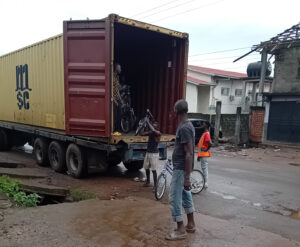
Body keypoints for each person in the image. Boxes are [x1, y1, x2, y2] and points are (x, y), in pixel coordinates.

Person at [166, 99, 196, 241]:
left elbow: (189, 153)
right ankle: (190, 224)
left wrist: (187, 177)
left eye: (174, 109)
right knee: (185, 195)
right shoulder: (187, 125)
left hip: (180, 169)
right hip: (182, 169)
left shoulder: (184, 128)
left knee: (174, 197)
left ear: (176, 111)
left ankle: (180, 229)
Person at [141, 120, 161, 190]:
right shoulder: (151, 133)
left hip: (154, 154)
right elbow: (142, 134)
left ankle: (155, 185)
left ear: (157, 127)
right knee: (146, 168)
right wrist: (143, 126)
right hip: (148, 153)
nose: (154, 125)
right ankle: (148, 182)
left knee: (153, 170)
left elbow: (153, 130)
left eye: (155, 125)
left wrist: (147, 122)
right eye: (153, 124)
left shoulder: (158, 133)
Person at [197, 121, 212, 188]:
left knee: (204, 168)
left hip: (204, 154)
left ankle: (205, 183)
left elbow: (210, 143)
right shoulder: (205, 133)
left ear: (206, 125)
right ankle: (204, 182)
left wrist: (206, 150)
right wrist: (199, 156)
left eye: (203, 124)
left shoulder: (206, 134)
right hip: (202, 154)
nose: (202, 125)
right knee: (204, 168)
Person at [113, 63, 123, 132]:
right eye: (120, 68)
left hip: (117, 99)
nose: (121, 69)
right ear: (116, 68)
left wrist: (120, 100)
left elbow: (117, 90)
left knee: (119, 115)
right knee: (115, 116)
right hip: (113, 100)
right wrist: (114, 100)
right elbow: (110, 89)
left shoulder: (117, 77)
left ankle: (117, 130)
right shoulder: (112, 77)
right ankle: (113, 130)